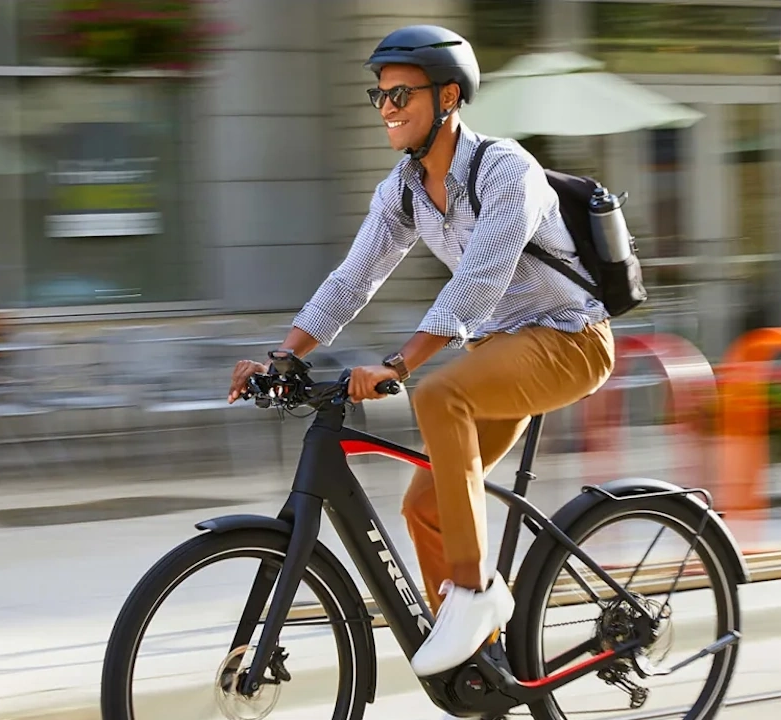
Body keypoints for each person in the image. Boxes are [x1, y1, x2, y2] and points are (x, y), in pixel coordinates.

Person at [227, 24, 615, 687]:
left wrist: (400, 365)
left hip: (570, 340)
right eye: (378, 95)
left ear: (449, 97)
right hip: (505, 350)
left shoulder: (505, 169)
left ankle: (471, 593)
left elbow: (480, 281)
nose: (386, 108)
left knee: (440, 394)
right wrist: (285, 354)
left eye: (401, 94)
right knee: (424, 504)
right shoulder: (404, 189)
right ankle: (481, 664)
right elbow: (354, 279)